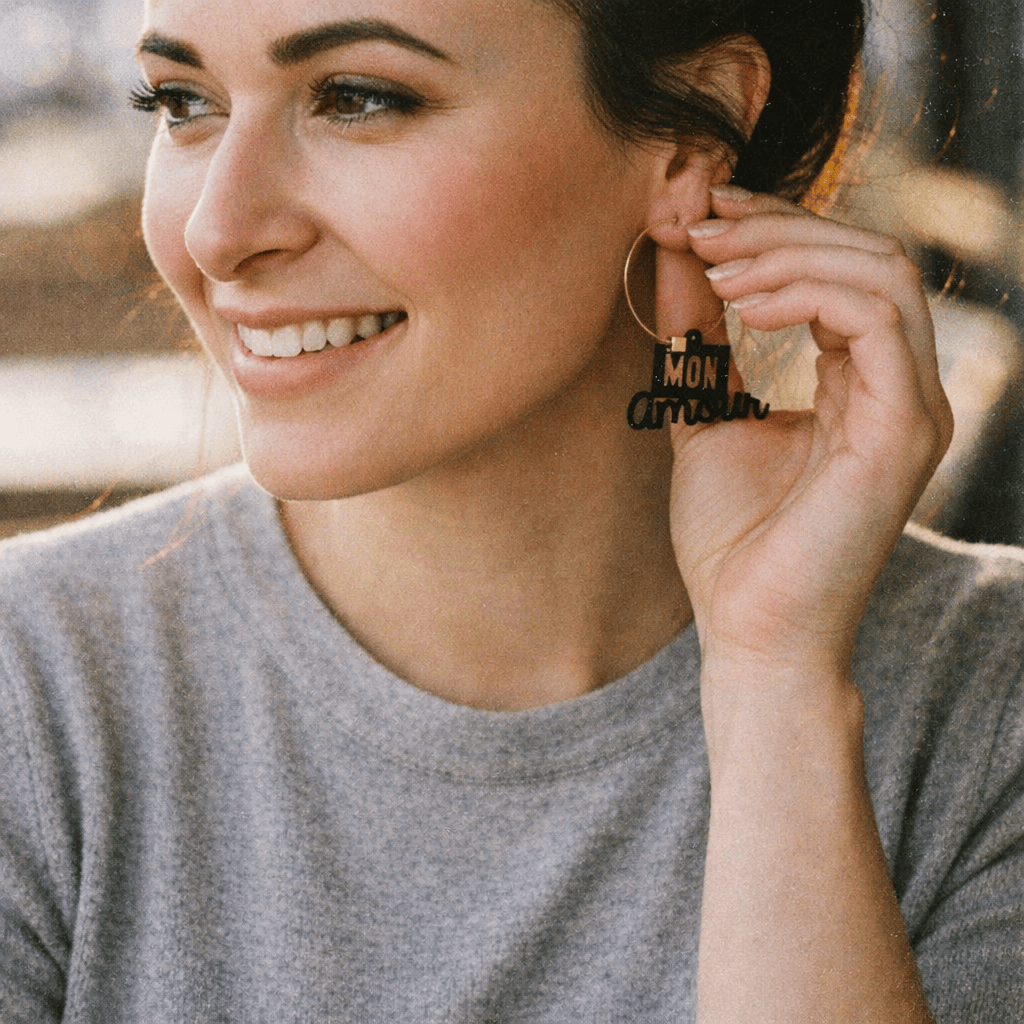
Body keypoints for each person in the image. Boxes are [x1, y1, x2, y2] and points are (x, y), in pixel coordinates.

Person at [0, 0, 1021, 1020]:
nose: (218, 230)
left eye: (357, 97)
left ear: (690, 137)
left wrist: (777, 686)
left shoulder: (989, 714)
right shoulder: (30, 700)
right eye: (182, 103)